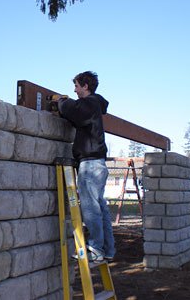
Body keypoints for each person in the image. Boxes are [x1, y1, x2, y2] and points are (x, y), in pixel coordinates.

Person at [57, 71, 115, 262]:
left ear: (85, 86)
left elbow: (73, 111)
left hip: (90, 165)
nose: (74, 90)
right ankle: (107, 250)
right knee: (100, 208)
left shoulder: (89, 104)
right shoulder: (96, 104)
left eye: (76, 86)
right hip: (97, 163)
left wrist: (60, 102)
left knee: (90, 209)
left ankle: (95, 249)